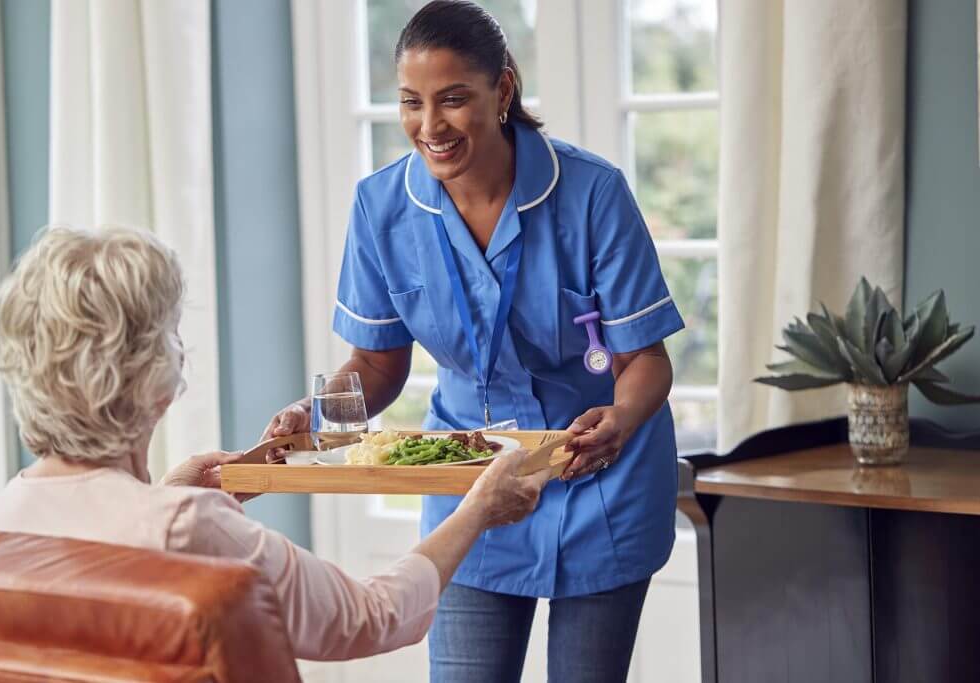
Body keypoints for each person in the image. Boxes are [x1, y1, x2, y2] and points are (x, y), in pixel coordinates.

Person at [263, 2, 686, 680]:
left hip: (599, 478)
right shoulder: (382, 208)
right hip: (472, 484)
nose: (430, 126)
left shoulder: (593, 193)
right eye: (411, 102)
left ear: (504, 90)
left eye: (454, 99)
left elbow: (645, 361)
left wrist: (622, 417)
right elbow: (376, 362)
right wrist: (315, 416)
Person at [0, 225, 549, 664]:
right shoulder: (189, 527)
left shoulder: (6, 518)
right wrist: (476, 510)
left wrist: (161, 493)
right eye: (170, 335)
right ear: (150, 379)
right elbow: (371, 617)